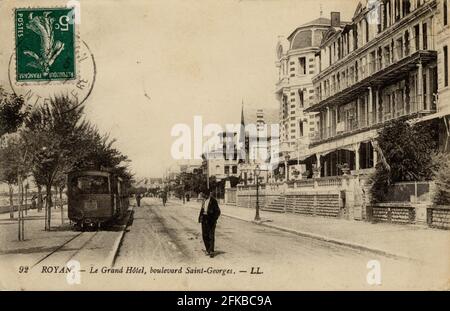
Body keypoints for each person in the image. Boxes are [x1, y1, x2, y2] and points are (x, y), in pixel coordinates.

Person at [198, 189, 221, 258]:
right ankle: (208, 249)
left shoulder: (213, 201)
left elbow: (218, 211)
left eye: (203, 194)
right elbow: (202, 210)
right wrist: (200, 218)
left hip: (211, 220)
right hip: (204, 219)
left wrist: (214, 219)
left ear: (207, 194)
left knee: (211, 235)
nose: (202, 195)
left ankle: (211, 251)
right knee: (204, 235)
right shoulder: (204, 201)